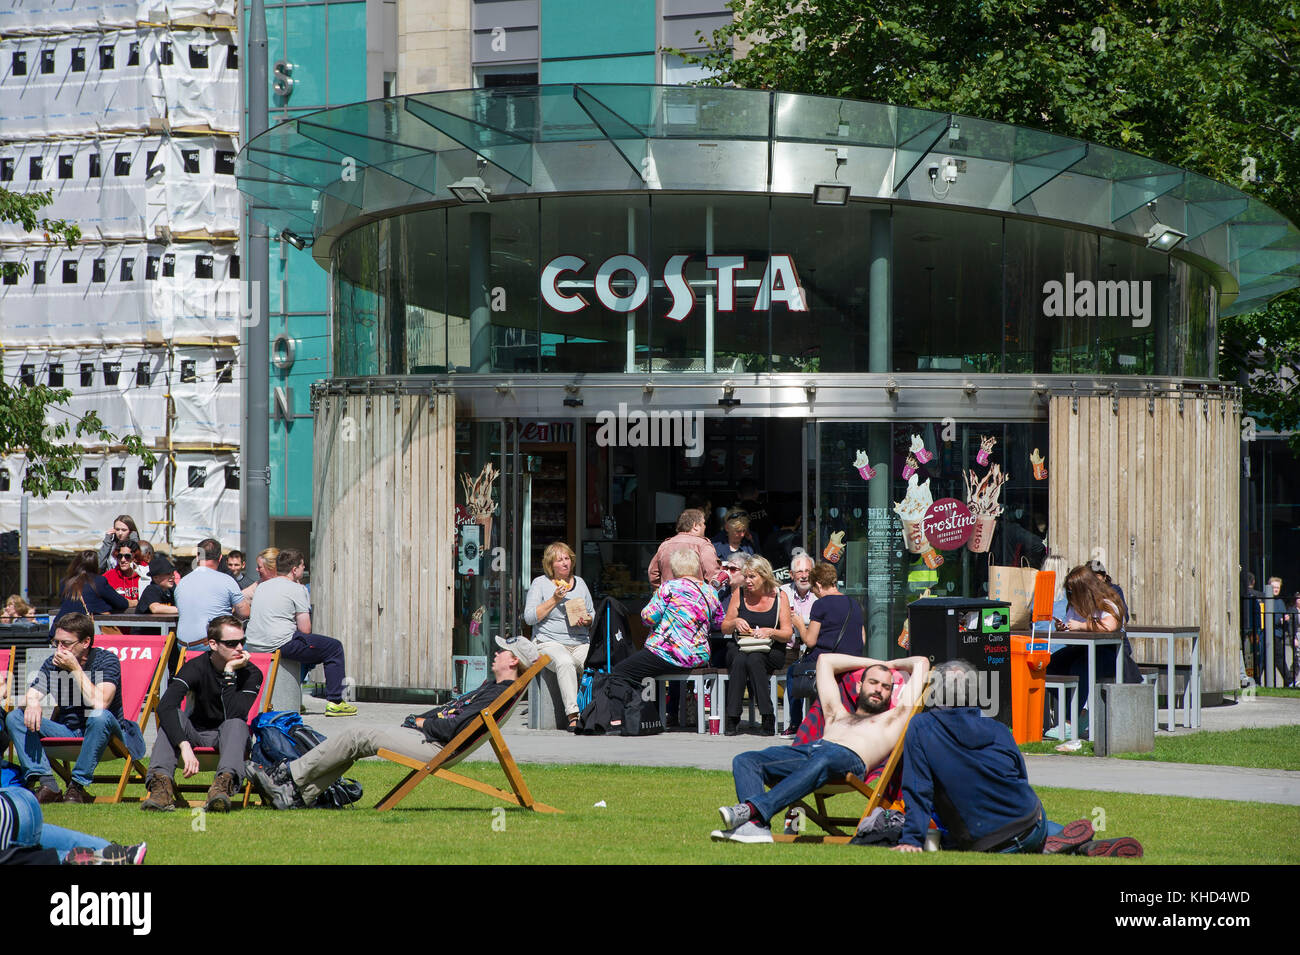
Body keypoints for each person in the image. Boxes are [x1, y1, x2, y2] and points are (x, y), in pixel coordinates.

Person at [246, 637, 536, 809]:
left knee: (358, 735)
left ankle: (287, 776)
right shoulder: (492, 687)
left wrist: (423, 724)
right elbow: (449, 712)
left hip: (437, 747)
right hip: (432, 739)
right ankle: (299, 795)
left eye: (503, 651)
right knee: (356, 742)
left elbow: (453, 729)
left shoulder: (498, 694)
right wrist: (419, 720)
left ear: (513, 662)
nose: (496, 653)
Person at [894, 659, 1141, 856]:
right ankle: (1078, 846)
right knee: (1025, 822)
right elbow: (1020, 778)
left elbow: (918, 789)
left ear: (935, 693)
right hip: (1029, 820)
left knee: (964, 837)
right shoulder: (999, 729)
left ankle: (1062, 845)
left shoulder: (921, 727)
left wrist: (911, 840)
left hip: (987, 839)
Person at [711, 651, 929, 843]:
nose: (879, 689)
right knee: (746, 759)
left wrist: (891, 665)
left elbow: (920, 662)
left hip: (849, 760)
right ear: (859, 686)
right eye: (873, 682)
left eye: (886, 686)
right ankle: (756, 827)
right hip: (812, 753)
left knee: (824, 758)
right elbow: (825, 661)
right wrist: (878, 662)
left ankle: (752, 811)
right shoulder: (836, 714)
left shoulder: (893, 719)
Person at [5, 612, 146, 804]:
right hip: (68, 731)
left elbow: (100, 703)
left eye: (66, 643)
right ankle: (48, 784)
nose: (59, 648)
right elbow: (31, 694)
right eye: (56, 642)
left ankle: (77, 786)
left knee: (99, 715)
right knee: (15, 717)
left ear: (86, 642)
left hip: (107, 735)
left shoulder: (107, 661)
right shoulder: (54, 663)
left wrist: (75, 669)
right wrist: (32, 702)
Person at [141, 615, 263, 812]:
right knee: (175, 716)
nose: (240, 648)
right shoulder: (196, 667)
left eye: (242, 641)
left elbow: (234, 713)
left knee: (237, 724)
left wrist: (230, 672)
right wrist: (184, 744)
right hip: (195, 734)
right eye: (232, 643)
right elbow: (165, 705)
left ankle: (221, 789)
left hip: (229, 738)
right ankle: (160, 790)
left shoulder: (251, 673)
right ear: (213, 644)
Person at [607, 549, 721, 734]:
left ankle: (620, 720)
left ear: (674, 568)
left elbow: (648, 618)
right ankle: (653, 716)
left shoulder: (669, 587)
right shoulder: (709, 591)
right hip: (699, 656)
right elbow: (717, 622)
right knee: (648, 669)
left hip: (668, 653)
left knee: (619, 673)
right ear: (697, 568)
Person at [244, 548, 356, 717]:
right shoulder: (298, 589)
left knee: (308, 650)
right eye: (303, 566)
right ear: (294, 569)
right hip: (280, 644)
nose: (304, 569)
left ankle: (295, 698)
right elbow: (305, 629)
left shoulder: (261, 587)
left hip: (254, 644)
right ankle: (336, 701)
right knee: (333, 647)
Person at [1048, 564, 1140, 734]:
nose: (1070, 594)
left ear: (1085, 589)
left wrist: (1082, 626)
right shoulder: (1074, 606)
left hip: (1111, 654)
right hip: (1082, 650)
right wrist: (1064, 628)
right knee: (1049, 666)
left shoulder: (1108, 602)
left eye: (1073, 590)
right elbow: (1072, 626)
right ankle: (1079, 712)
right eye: (1069, 590)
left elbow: (1109, 626)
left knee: (1081, 668)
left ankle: (1070, 721)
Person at [523, 542, 594, 730]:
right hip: (548, 642)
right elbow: (529, 617)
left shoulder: (581, 583)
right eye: (559, 560)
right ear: (550, 565)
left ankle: (597, 712)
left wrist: (586, 620)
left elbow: (592, 614)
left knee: (597, 662)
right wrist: (554, 600)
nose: (565, 563)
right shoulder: (540, 583)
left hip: (579, 642)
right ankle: (573, 715)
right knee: (565, 662)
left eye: (567, 558)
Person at [721, 556, 792, 736]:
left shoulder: (779, 596)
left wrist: (770, 631)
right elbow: (724, 626)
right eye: (745, 576)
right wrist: (736, 621)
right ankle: (733, 716)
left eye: (752, 577)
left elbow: (787, 634)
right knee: (739, 659)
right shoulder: (740, 593)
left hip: (770, 647)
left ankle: (766, 715)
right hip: (741, 644)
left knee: (753, 660)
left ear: (764, 576)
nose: (747, 581)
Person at [0, 785, 146, 865]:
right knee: (37, 837)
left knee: (17, 851)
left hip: (9, 817)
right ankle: (120, 851)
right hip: (16, 799)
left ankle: (85, 858)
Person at [174, 538, 250, 651]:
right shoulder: (227, 580)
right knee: (247, 645)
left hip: (182, 646)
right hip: (209, 645)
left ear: (197, 556)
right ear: (220, 558)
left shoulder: (182, 582)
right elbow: (245, 612)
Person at [779, 551, 817, 734]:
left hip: (812, 647)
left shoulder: (819, 593)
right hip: (788, 646)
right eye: (799, 572)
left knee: (804, 673)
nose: (804, 576)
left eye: (807, 571)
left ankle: (812, 723)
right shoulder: (782, 593)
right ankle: (794, 723)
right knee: (793, 673)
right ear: (791, 575)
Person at [49, 551, 128, 635]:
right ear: (95, 565)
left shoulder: (65, 582)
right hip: (82, 632)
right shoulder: (99, 581)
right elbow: (122, 603)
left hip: (60, 630)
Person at [801, 561, 865, 663]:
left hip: (828, 662)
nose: (813, 592)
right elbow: (862, 638)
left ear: (818, 585)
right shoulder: (854, 604)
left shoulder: (821, 604)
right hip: (853, 661)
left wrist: (799, 623)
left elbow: (810, 641)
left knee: (792, 671)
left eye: (812, 588)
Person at [647, 508, 719, 587]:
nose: (705, 527)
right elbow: (713, 576)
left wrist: (663, 589)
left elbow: (653, 573)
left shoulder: (665, 545)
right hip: (696, 598)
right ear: (695, 526)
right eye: (703, 523)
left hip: (669, 597)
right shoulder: (703, 546)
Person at [103, 543, 142, 608]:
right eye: (120, 556)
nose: (123, 560)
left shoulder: (144, 575)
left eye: (127, 556)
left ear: (135, 557)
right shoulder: (109, 576)